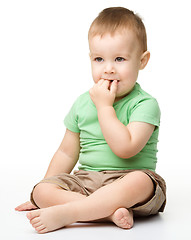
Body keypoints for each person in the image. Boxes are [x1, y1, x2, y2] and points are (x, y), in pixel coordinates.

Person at [15, 7, 166, 234]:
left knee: (141, 181)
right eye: (99, 59)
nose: (108, 69)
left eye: (119, 59)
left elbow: (126, 148)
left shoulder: (145, 104)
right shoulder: (82, 103)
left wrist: (105, 107)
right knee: (41, 190)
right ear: (90, 59)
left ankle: (71, 212)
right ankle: (107, 213)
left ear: (142, 61)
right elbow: (66, 153)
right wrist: (44, 189)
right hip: (86, 182)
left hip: (128, 183)